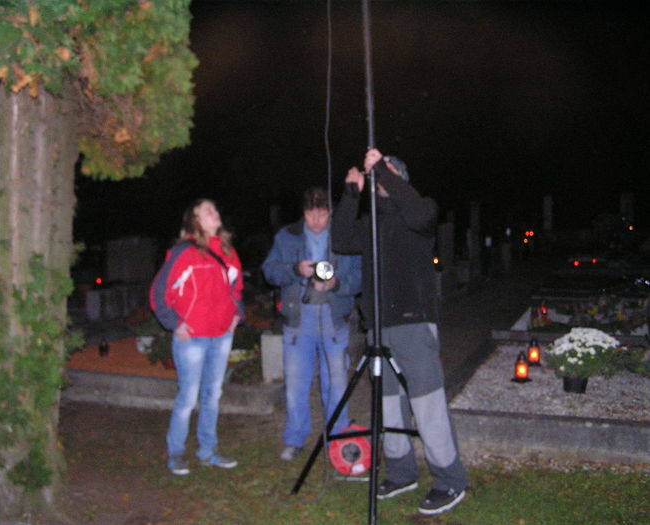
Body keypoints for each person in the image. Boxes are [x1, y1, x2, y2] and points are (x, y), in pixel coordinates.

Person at [332, 149, 468, 515]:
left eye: (388, 171)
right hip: (379, 327)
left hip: (413, 323)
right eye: (377, 171)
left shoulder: (418, 210)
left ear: (399, 178)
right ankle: (402, 471)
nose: (379, 175)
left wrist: (382, 170)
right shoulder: (371, 222)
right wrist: (351, 193)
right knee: (389, 405)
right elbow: (340, 239)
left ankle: (450, 479)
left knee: (427, 403)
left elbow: (420, 215)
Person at [262, 187, 362, 461]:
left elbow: (360, 276)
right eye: (310, 213)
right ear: (303, 212)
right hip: (298, 321)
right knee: (296, 385)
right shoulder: (287, 236)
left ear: (331, 212)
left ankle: (338, 439)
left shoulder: (344, 236)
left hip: (334, 320)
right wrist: (295, 270)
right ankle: (295, 439)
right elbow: (269, 271)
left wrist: (336, 284)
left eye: (322, 213)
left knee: (336, 384)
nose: (316, 220)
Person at [150, 198, 243, 475]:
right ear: (196, 221)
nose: (215, 213)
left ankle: (208, 451)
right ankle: (176, 453)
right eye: (207, 211)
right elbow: (158, 292)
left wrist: (236, 314)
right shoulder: (184, 253)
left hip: (221, 335)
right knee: (188, 398)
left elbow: (236, 288)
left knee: (212, 396)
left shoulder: (227, 252)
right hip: (192, 338)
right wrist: (174, 323)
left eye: (215, 209)